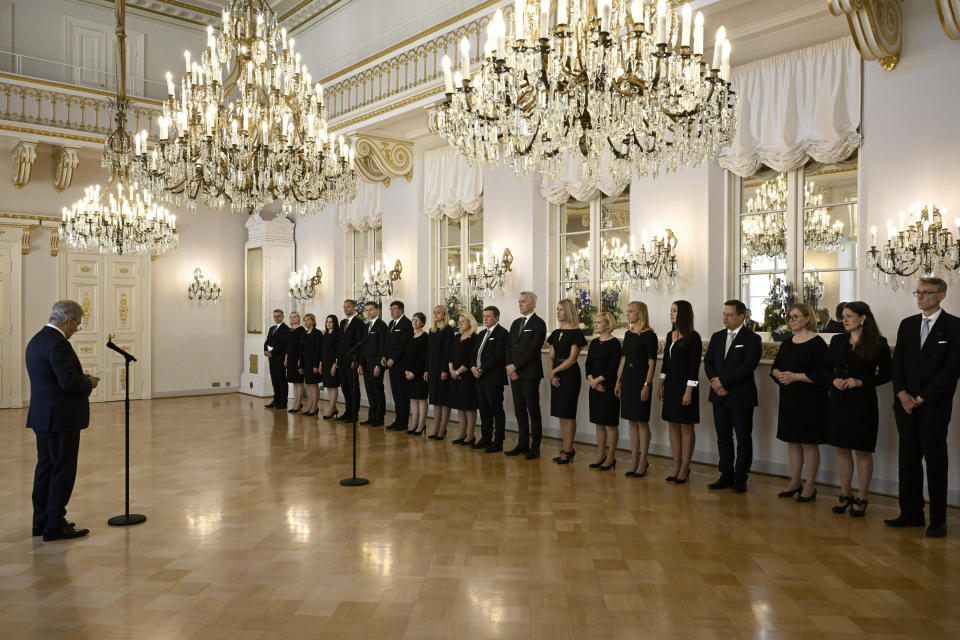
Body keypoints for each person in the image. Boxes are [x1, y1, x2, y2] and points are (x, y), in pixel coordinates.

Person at [887, 277, 960, 538]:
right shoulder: (907, 325)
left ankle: (938, 519)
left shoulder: (954, 326)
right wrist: (903, 394)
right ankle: (911, 513)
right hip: (905, 406)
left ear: (942, 295)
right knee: (907, 459)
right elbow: (898, 365)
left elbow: (951, 370)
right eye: (918, 293)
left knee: (935, 461)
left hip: (934, 406)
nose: (921, 298)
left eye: (927, 293)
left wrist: (922, 397)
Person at [25, 300, 98, 541]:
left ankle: (41, 521)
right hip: (61, 419)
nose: (78, 327)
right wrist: (88, 382)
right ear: (69, 320)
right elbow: (68, 383)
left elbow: (52, 378)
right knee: (62, 471)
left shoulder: (37, 340)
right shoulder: (59, 344)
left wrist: (78, 377)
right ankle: (55, 525)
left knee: (45, 468)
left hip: (43, 417)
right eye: (78, 323)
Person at [824, 301, 891, 518]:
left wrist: (861, 381)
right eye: (843, 316)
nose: (845, 320)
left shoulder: (878, 343)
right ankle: (845, 494)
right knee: (842, 449)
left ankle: (862, 496)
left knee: (862, 450)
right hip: (839, 400)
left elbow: (886, 374)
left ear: (863, 318)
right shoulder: (837, 340)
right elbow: (825, 370)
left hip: (863, 402)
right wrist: (833, 380)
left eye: (850, 316)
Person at [704, 299, 762, 494]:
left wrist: (724, 382)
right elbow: (709, 362)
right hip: (718, 395)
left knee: (743, 438)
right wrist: (715, 382)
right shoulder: (717, 336)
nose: (725, 318)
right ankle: (726, 473)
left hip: (740, 396)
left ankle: (741, 476)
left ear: (741, 316)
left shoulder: (752, 339)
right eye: (724, 314)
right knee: (723, 436)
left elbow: (747, 367)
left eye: (729, 314)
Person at [770, 304, 828, 501]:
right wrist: (780, 374)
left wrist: (796, 376)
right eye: (789, 317)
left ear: (807, 318)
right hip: (789, 397)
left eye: (795, 316)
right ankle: (795, 481)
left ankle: (810, 485)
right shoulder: (787, 342)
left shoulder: (818, 343)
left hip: (810, 399)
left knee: (809, 443)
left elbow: (823, 375)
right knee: (792, 441)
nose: (791, 320)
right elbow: (776, 367)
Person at [658, 300, 701, 484]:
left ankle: (685, 467)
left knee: (686, 426)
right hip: (671, 386)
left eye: (674, 310)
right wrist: (661, 384)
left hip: (686, 387)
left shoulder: (694, 337)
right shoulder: (670, 335)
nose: (671, 313)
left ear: (683, 313)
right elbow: (666, 363)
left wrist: (689, 391)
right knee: (672, 425)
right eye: (670, 310)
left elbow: (694, 368)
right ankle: (676, 465)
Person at [616, 301, 658, 478]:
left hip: (641, 380)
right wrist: (618, 381)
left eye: (631, 311)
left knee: (641, 421)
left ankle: (643, 461)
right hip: (628, 379)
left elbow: (652, 363)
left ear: (640, 313)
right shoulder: (628, 334)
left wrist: (647, 385)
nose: (628, 314)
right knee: (631, 421)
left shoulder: (650, 335)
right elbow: (624, 359)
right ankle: (634, 460)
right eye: (627, 311)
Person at [505, 291, 548, 459]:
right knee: (519, 409)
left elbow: (532, 350)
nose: (520, 304)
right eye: (519, 301)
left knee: (533, 410)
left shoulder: (539, 323)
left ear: (533, 304)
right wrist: (510, 367)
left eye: (523, 301)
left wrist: (515, 366)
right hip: (514, 373)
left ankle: (535, 447)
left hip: (530, 374)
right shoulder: (516, 323)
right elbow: (508, 346)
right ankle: (522, 444)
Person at [547, 299, 586, 464]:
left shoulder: (576, 333)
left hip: (569, 375)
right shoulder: (555, 333)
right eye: (557, 310)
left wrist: (554, 371)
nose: (558, 312)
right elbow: (551, 356)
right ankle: (565, 448)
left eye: (561, 310)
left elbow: (571, 359)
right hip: (555, 374)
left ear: (569, 311)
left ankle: (569, 450)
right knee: (561, 413)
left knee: (568, 413)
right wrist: (551, 373)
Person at [586, 312, 622, 471]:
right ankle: (601, 454)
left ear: (608, 325)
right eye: (594, 322)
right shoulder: (593, 343)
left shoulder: (615, 343)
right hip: (594, 387)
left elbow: (613, 367)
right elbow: (588, 364)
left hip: (608, 387)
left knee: (610, 424)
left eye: (599, 322)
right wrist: (592, 381)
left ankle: (611, 457)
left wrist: (598, 380)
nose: (595, 325)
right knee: (598, 423)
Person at [472, 306, 509, 452]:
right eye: (484, 316)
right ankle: (485, 438)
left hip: (493, 378)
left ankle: (498, 441)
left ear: (497, 317)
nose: (485, 318)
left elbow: (498, 356)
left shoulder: (502, 333)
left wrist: (482, 369)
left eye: (488, 316)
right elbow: (474, 354)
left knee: (496, 410)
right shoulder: (481, 334)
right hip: (479, 378)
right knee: (483, 409)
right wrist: (473, 367)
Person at [449, 313, 479, 445]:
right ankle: (461, 433)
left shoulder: (474, 338)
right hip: (455, 376)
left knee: (469, 406)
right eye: (459, 321)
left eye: (463, 321)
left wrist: (457, 371)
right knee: (460, 406)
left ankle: (470, 435)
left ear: (470, 323)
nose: (460, 324)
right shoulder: (457, 337)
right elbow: (450, 356)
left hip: (467, 377)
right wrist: (451, 371)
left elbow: (471, 359)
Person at [382, 301, 413, 431]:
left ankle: (403, 422)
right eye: (390, 309)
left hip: (400, 364)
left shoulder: (406, 324)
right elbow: (387, 343)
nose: (392, 311)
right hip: (390, 364)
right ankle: (397, 419)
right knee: (395, 393)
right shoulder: (391, 324)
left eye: (394, 309)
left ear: (401, 310)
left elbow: (404, 345)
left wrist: (393, 359)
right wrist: (384, 356)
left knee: (402, 394)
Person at [427, 305, 454, 440]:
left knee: (444, 400)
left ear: (444, 314)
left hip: (442, 369)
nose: (436, 314)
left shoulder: (448, 330)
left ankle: (442, 430)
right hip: (432, 368)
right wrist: (426, 369)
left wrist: (445, 370)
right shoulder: (432, 330)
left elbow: (449, 352)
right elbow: (428, 352)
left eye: (438, 312)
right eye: (434, 312)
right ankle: (435, 428)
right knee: (435, 400)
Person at [358, 301, 388, 427]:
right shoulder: (366, 326)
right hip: (366, 364)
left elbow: (382, 347)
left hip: (375, 364)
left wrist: (378, 365)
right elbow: (363, 347)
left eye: (371, 310)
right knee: (370, 391)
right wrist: (360, 364)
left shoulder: (381, 325)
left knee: (377, 390)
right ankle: (372, 416)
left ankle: (379, 418)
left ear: (377, 311)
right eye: (366, 310)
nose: (368, 312)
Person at [335, 299, 365, 423]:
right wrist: (337, 359)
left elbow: (359, 343)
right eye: (344, 307)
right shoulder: (342, 323)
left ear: (354, 308)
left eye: (348, 307)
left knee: (353, 388)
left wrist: (356, 360)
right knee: (345, 387)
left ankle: (354, 414)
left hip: (352, 360)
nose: (345, 309)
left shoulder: (359, 323)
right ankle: (347, 411)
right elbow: (340, 342)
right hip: (342, 360)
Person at [404, 312, 430, 435]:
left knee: (421, 399)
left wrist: (415, 372)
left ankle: (421, 425)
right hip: (410, 373)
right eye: (413, 319)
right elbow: (407, 355)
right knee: (413, 399)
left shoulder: (425, 337)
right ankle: (413, 424)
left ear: (423, 323)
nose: (414, 322)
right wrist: (407, 370)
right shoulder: (410, 335)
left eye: (417, 320)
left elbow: (423, 357)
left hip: (420, 373)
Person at [263, 309, 290, 409]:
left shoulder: (286, 329)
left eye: (278, 316)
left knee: (281, 380)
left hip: (280, 358)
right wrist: (265, 350)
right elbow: (267, 341)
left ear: (283, 317)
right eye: (274, 316)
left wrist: (272, 352)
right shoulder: (271, 328)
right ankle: (276, 399)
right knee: (274, 379)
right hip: (271, 359)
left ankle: (283, 402)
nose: (276, 318)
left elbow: (283, 345)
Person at [299, 313, 323, 416]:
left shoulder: (317, 333)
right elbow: (301, 350)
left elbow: (318, 350)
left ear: (313, 321)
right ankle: (311, 406)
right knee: (309, 385)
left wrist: (316, 365)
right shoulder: (304, 333)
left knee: (314, 385)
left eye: (308, 320)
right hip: (305, 363)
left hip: (313, 363)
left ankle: (314, 407)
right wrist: (301, 365)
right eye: (304, 320)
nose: (306, 322)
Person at [319, 314, 341, 419]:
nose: (329, 323)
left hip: (333, 364)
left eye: (331, 322)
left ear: (335, 323)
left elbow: (338, 351)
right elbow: (322, 351)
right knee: (328, 386)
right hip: (325, 363)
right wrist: (321, 364)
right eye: (327, 321)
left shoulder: (337, 334)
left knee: (333, 385)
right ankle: (334, 408)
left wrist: (335, 365)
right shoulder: (325, 334)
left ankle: (331, 409)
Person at [284, 311, 306, 413]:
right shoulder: (290, 330)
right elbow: (288, 347)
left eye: (294, 317)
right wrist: (286, 358)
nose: (292, 319)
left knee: (299, 381)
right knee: (294, 381)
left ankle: (298, 403)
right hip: (290, 358)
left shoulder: (302, 330)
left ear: (298, 318)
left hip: (297, 358)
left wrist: (300, 360)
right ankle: (296, 403)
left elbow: (302, 347)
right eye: (291, 317)